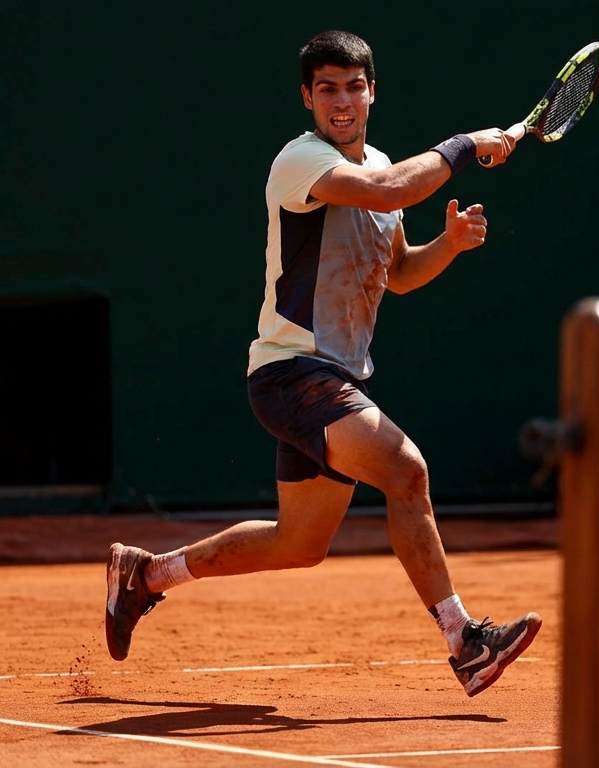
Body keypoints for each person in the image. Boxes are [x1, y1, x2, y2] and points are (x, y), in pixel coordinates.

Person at [103, 30, 541, 698]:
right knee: (406, 470)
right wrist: (460, 146)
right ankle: (465, 641)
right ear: (308, 97)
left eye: (354, 86)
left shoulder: (383, 167)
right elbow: (390, 190)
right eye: (327, 88)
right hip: (292, 371)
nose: (342, 101)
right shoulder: (301, 160)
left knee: (298, 544)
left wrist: (447, 246)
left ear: (372, 91)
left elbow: (396, 274)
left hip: (334, 375)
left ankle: (145, 576)